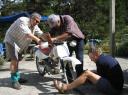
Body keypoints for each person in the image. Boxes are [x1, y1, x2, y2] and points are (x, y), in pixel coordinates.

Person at [53, 48, 124, 95]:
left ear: (96, 54)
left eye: (91, 57)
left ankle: (66, 87)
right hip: (117, 87)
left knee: (87, 73)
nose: (91, 60)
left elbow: (98, 76)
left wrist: (87, 74)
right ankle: (75, 84)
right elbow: (102, 74)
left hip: (114, 90)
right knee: (87, 73)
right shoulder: (105, 58)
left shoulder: (100, 61)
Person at [4, 12, 43, 90]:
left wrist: (48, 38)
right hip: (11, 41)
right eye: (36, 21)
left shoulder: (35, 26)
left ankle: (17, 78)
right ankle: (14, 81)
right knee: (14, 60)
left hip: (19, 44)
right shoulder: (22, 20)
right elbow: (28, 34)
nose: (37, 23)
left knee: (17, 60)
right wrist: (38, 40)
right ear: (31, 18)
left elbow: (40, 33)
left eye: (39, 22)